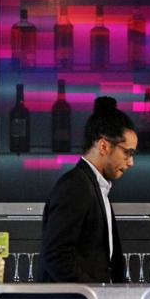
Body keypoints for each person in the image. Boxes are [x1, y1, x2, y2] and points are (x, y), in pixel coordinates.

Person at [39, 96, 137, 283]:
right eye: (127, 152)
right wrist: (95, 293)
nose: (131, 162)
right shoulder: (75, 186)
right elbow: (55, 256)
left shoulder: (93, 185)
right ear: (103, 146)